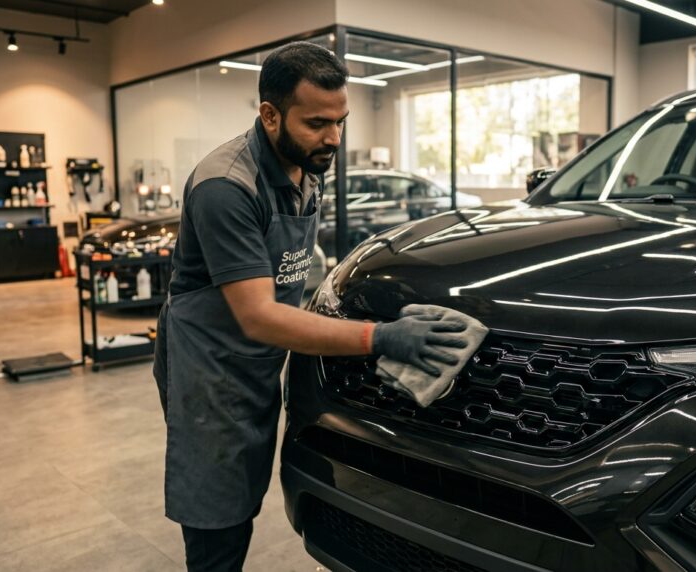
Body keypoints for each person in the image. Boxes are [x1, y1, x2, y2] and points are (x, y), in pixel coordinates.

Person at [152, 41, 466, 571]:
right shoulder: (226, 187)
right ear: (269, 114)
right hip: (210, 367)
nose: (334, 138)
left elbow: (291, 278)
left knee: (247, 489)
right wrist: (378, 337)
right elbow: (259, 313)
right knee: (218, 516)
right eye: (318, 123)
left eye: (341, 121)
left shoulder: (306, 168)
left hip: (258, 360)